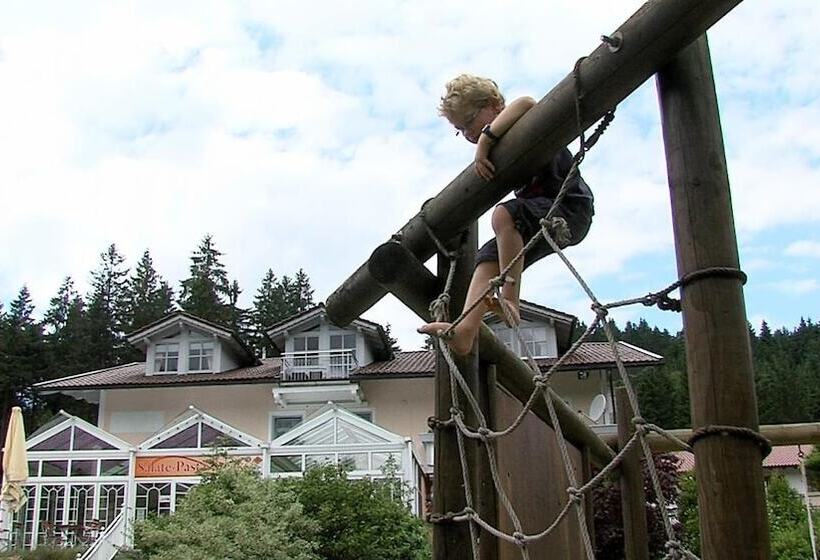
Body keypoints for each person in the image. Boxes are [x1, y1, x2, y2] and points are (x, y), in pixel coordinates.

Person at [418, 74, 594, 355]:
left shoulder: (520, 123)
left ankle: (511, 299)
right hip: (535, 219)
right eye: (459, 129)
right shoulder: (498, 153)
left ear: (494, 105)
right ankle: (464, 331)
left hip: (569, 208)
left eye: (470, 120)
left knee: (503, 215)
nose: (468, 134)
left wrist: (485, 142)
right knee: (487, 256)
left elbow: (526, 102)